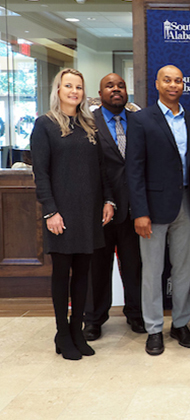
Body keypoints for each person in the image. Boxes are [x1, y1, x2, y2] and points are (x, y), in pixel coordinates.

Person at [30, 68, 115, 360]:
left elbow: (102, 170)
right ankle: (62, 333)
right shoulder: (45, 125)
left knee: (83, 275)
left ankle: (77, 330)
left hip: (89, 212)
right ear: (58, 90)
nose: (74, 91)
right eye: (68, 86)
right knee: (62, 275)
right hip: (61, 214)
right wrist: (50, 211)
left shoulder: (89, 125)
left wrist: (108, 200)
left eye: (78, 87)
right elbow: (40, 173)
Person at [126, 65, 190, 356]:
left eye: (178, 80)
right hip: (152, 208)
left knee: (183, 269)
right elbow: (134, 170)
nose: (173, 85)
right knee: (153, 271)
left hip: (186, 202)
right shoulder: (142, 120)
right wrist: (139, 212)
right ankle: (154, 328)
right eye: (167, 80)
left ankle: (180, 324)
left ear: (184, 85)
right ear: (157, 83)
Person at [83, 74, 145, 341]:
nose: (116, 90)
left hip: (134, 209)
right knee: (98, 266)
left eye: (120, 86)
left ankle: (136, 315)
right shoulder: (87, 124)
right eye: (110, 86)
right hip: (99, 210)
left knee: (134, 266)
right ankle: (94, 320)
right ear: (100, 92)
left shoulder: (139, 122)